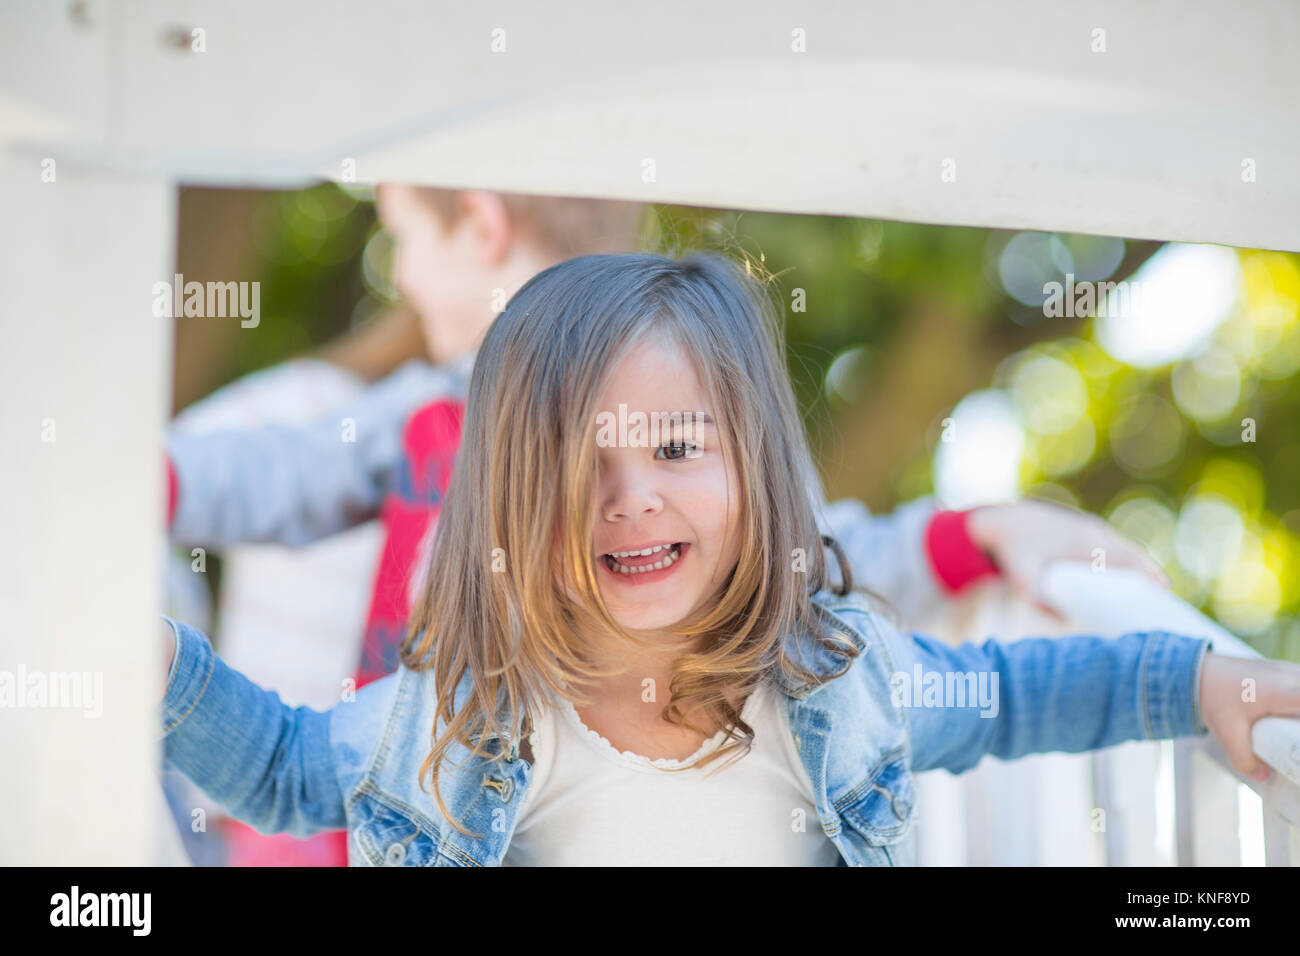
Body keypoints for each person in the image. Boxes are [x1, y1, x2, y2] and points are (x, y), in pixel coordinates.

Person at [157, 252, 1300, 866]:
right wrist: (153, 664)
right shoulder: (455, 721)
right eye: (579, 460)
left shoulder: (845, 685)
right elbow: (288, 765)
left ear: (755, 471)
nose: (630, 494)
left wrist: (1200, 681)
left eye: (676, 445)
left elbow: (1018, 693)